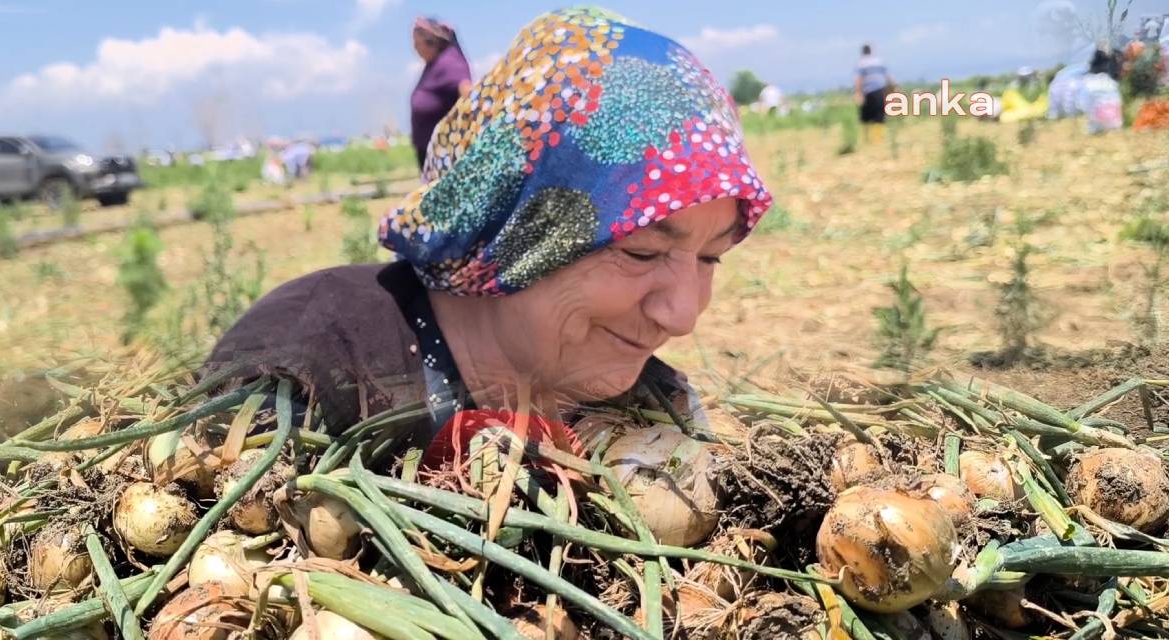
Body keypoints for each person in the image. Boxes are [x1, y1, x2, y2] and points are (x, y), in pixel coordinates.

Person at [203, 8, 772, 456]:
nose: (682, 316)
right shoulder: (298, 380)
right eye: (642, 251)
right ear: (515, 227)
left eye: (711, 257)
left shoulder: (653, 414)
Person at [409, 16, 471, 171]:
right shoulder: (433, 65)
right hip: (431, 151)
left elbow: (468, 92)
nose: (415, 49)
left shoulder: (450, 64)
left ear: (431, 42)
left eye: (417, 44)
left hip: (446, 154)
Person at [854, 44, 894, 144]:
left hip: (867, 92)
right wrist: (894, 87)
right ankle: (878, 140)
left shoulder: (861, 63)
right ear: (871, 51)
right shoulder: (879, 61)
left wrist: (858, 93)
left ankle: (866, 139)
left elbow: (859, 79)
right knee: (879, 115)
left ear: (863, 51)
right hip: (879, 91)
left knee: (865, 116)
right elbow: (887, 76)